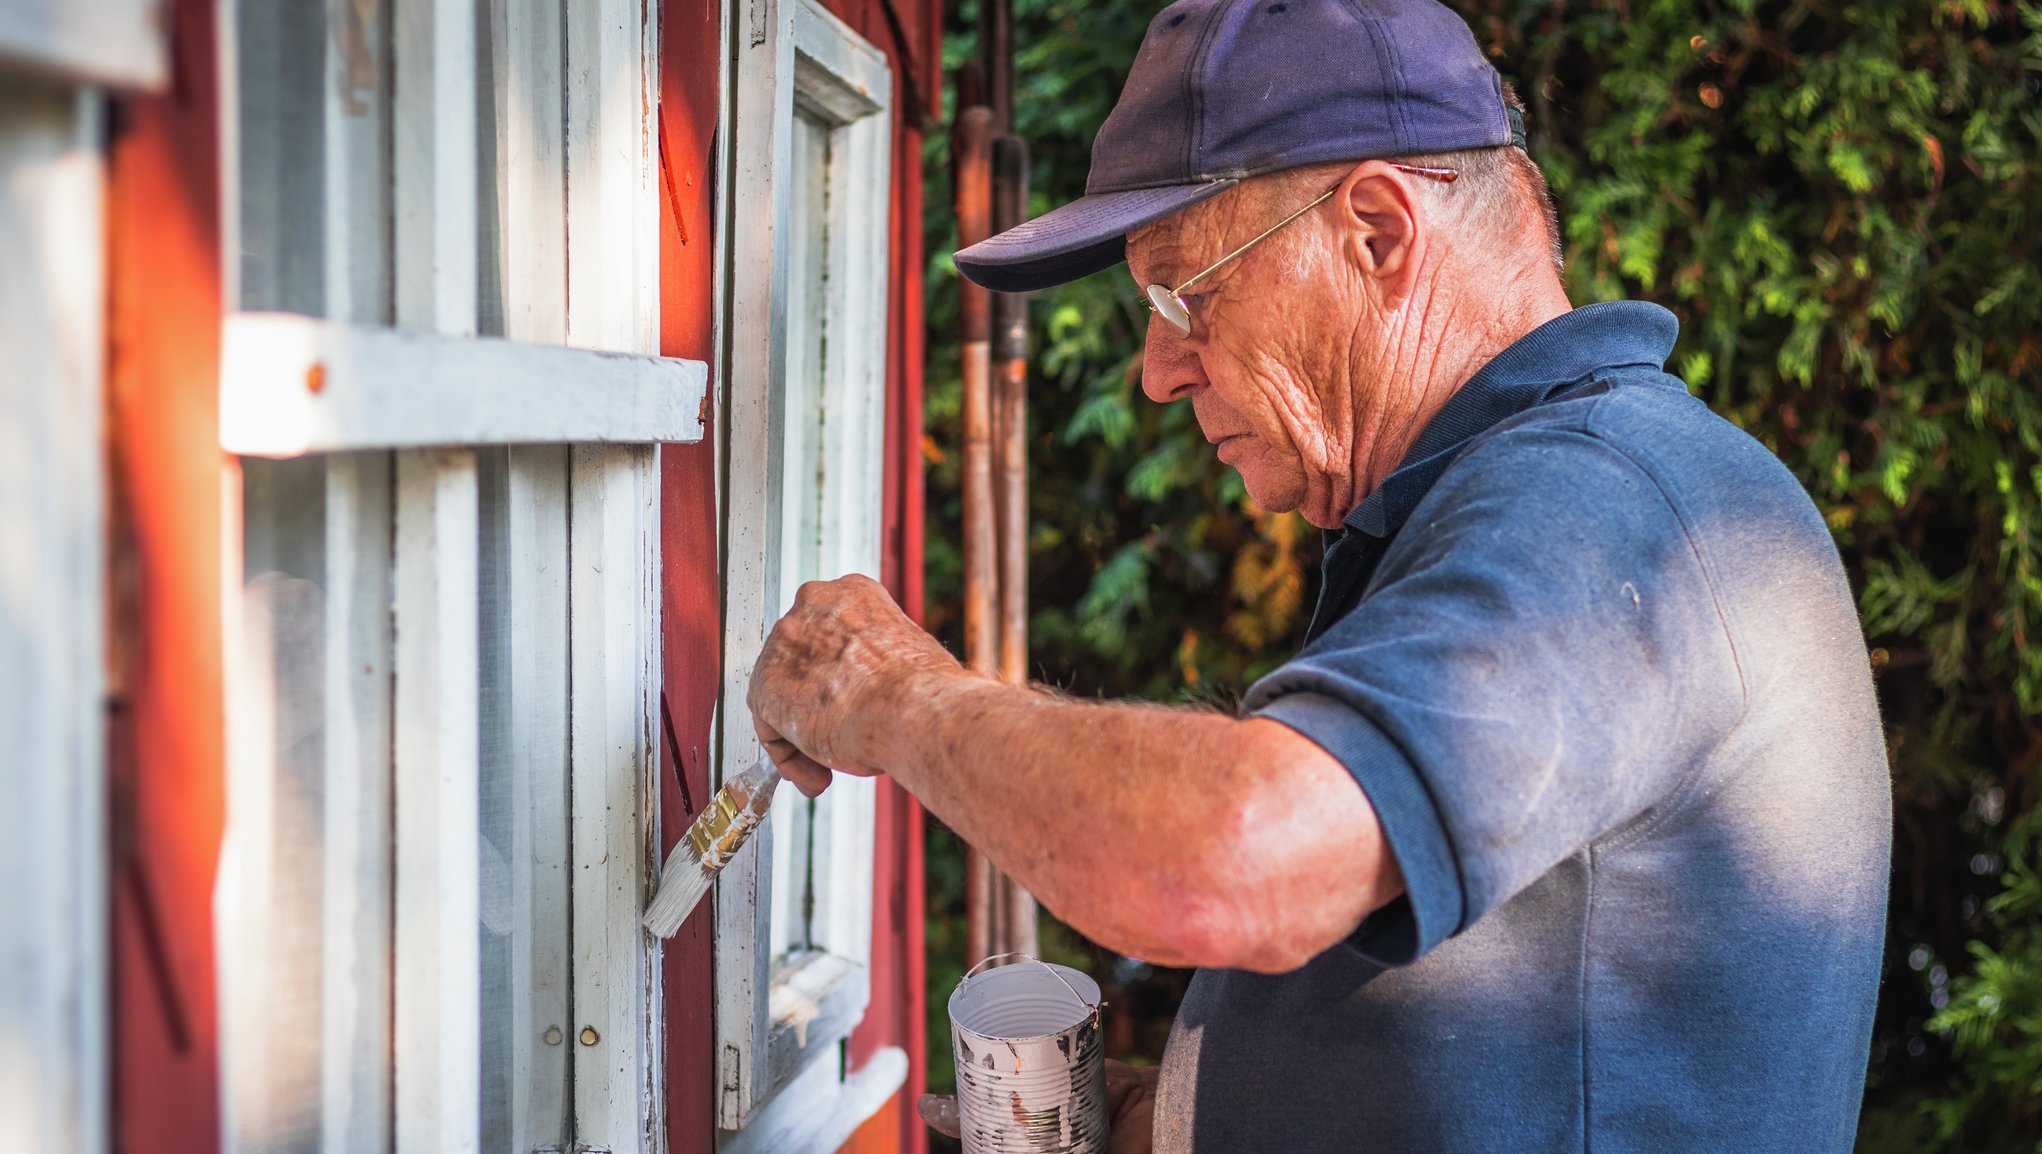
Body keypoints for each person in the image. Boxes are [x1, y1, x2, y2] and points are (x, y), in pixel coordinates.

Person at [747, 0, 1892, 1149]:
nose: (1154, 371)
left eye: (1180, 293)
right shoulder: (1524, 492)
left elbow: (1237, 860)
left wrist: (894, 695)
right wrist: (1182, 1115)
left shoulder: (1600, 508)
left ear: (1378, 233)